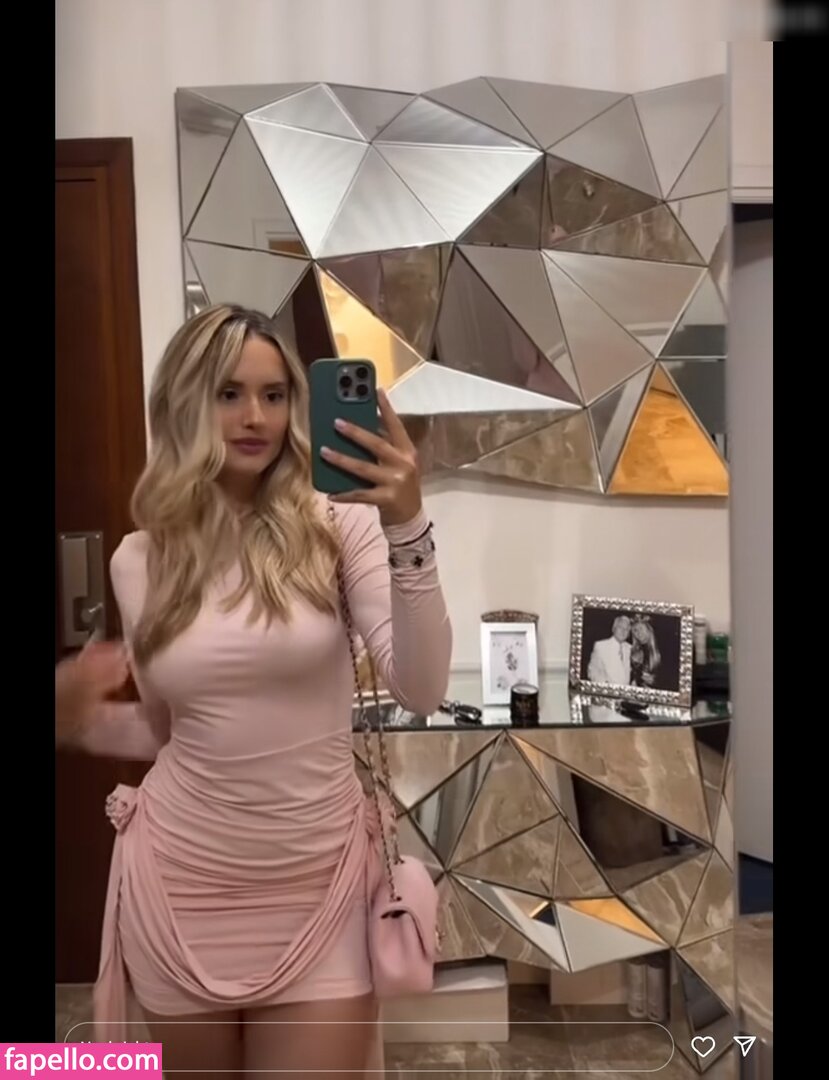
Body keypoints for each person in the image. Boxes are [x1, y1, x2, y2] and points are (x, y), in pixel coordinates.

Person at [54, 305, 452, 1077]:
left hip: (318, 885)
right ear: (184, 404)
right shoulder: (139, 560)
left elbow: (422, 686)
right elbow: (171, 734)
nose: (255, 417)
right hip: (180, 883)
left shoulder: (340, 525)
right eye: (228, 393)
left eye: (274, 395)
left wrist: (406, 526)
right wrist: (78, 719)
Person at [587, 615, 631, 685]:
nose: (623, 631)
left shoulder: (630, 648)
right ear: (613, 629)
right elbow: (592, 671)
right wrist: (605, 684)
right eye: (620, 627)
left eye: (626, 629)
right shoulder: (601, 646)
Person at [629, 615, 661, 688]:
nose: (638, 633)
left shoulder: (661, 647)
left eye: (641, 628)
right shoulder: (633, 650)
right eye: (635, 630)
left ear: (648, 629)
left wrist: (655, 681)